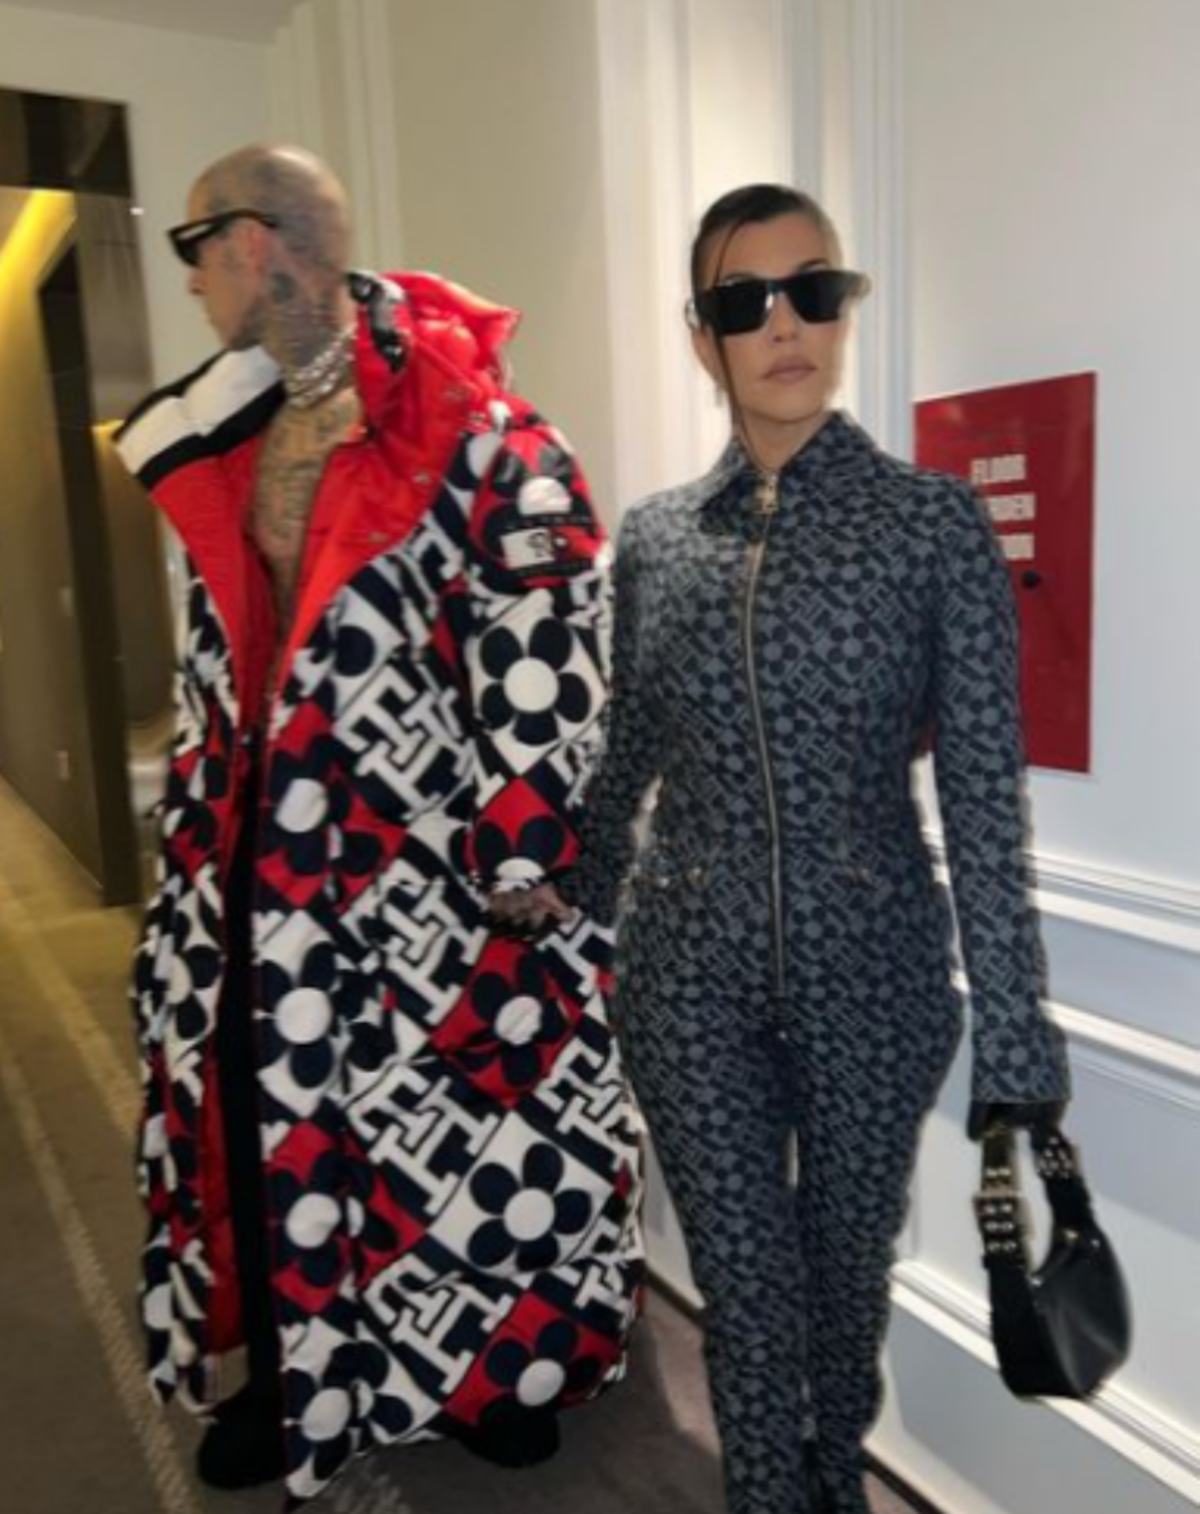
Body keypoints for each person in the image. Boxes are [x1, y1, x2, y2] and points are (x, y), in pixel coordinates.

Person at [492, 183, 1071, 1514]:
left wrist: (1017, 1034)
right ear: (704, 336)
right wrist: (572, 877)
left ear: (844, 307)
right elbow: (630, 743)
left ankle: (830, 1478)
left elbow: (984, 794)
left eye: (814, 290)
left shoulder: (932, 526)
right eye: (745, 302)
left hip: (876, 969)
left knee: (842, 1284)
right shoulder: (656, 540)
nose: (785, 325)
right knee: (747, 1300)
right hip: (687, 976)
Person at [115, 144, 643, 1504]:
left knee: (470, 1137)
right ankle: (292, 1376)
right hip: (260, 867)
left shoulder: (479, 429)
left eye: (193, 251)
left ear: (253, 243)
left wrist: (524, 847)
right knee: (262, 1111)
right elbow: (231, 656)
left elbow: (549, 639)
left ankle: (499, 1377)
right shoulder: (235, 432)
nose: (191, 285)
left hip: (434, 879)